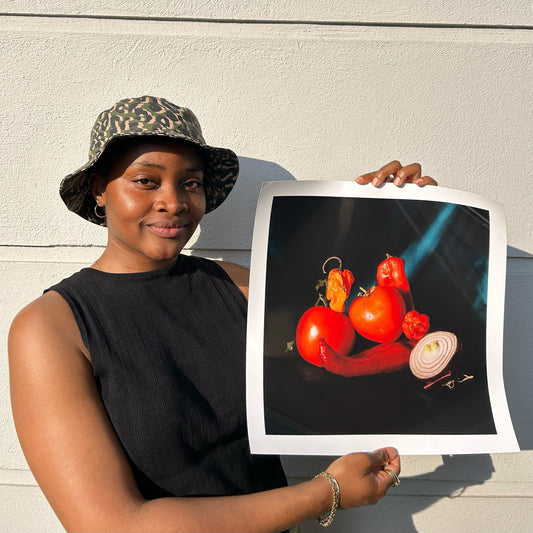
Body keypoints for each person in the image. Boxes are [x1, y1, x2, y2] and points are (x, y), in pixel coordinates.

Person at [8, 95, 436, 532]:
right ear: (100, 188)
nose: (173, 202)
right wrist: (328, 492)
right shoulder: (51, 328)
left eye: (190, 183)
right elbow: (112, 526)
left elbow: (357, 324)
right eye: (146, 181)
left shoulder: (237, 285)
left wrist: (396, 209)